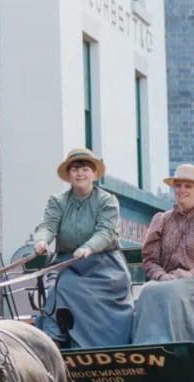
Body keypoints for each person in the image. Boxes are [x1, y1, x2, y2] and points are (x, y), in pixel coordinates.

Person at [31, 148, 133, 347]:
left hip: (104, 267)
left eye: (85, 169)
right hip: (67, 263)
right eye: (75, 169)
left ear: (94, 174)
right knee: (57, 284)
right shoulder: (57, 201)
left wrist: (89, 248)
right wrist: (42, 240)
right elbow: (48, 225)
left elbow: (106, 231)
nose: (80, 173)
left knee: (65, 285)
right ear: (69, 175)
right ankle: (52, 337)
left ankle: (60, 339)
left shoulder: (107, 201)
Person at [132, 164, 194, 354]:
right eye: (178, 185)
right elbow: (149, 260)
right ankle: (145, 353)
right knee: (146, 291)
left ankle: (176, 354)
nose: (182, 190)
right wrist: (162, 276)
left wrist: (190, 273)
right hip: (168, 281)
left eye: (188, 186)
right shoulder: (162, 219)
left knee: (172, 293)